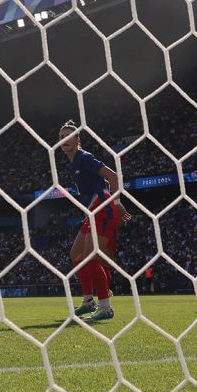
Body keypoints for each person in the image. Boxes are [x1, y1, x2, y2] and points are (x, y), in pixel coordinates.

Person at [58, 121, 128, 322]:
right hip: (92, 210)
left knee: (91, 257)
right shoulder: (76, 162)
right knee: (76, 255)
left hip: (102, 209)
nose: (65, 140)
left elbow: (112, 176)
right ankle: (89, 300)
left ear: (78, 140)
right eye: (62, 137)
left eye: (69, 136)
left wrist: (116, 203)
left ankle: (105, 307)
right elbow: (104, 182)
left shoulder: (84, 158)